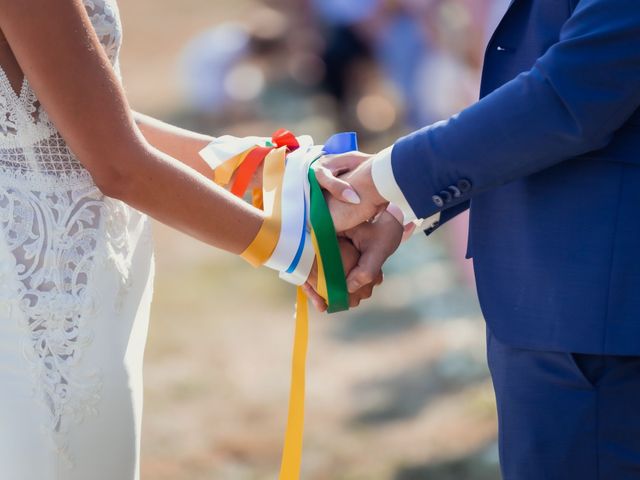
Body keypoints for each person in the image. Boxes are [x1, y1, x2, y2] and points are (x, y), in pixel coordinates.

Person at [0, 1, 400, 478]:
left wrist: (272, 169)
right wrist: (295, 248)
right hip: (41, 293)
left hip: (74, 277)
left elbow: (81, 113)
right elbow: (119, 166)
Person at [311, 0, 640, 478]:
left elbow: (573, 93)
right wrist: (395, 204)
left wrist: (378, 183)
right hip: (567, 296)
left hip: (595, 313)